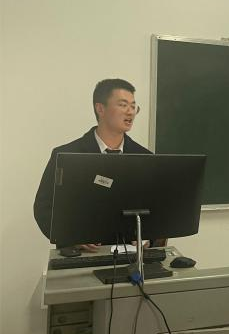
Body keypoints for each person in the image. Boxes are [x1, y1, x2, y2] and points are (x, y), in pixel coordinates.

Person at [34, 78, 164, 250]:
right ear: (100, 109)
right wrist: (71, 236)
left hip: (132, 256)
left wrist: (147, 237)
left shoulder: (145, 157)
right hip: (82, 255)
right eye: (123, 105)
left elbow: (158, 210)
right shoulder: (66, 156)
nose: (130, 112)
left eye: (133, 107)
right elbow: (44, 208)